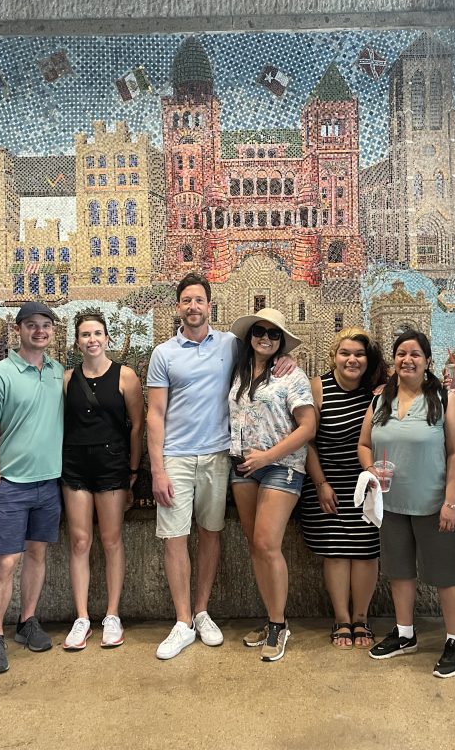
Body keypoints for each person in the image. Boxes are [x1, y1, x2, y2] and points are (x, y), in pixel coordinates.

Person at [146, 274, 294, 660]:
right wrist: (157, 469)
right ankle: (181, 622)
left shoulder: (231, 344)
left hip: (217, 455)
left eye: (199, 300)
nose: (193, 307)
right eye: (186, 301)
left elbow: (267, 351)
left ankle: (201, 612)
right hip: (176, 455)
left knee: (211, 533)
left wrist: (285, 357)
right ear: (177, 307)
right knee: (175, 537)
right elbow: (155, 414)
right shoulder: (163, 354)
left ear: (210, 306)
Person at [357, 330, 455, 678]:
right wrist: (370, 469)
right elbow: (364, 444)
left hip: (434, 503)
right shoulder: (380, 401)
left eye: (415, 354)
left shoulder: (444, 399)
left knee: (444, 574)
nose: (408, 360)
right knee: (399, 571)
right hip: (391, 504)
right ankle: (405, 633)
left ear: (427, 360)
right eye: (402, 354)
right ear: (395, 360)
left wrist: (450, 501)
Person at [0, 301, 64, 674]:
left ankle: (27, 622)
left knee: (37, 555)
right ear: (19, 330)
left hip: (48, 483)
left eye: (46, 325)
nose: (39, 331)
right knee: (6, 562)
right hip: (10, 485)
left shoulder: (57, 371)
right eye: (32, 325)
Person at [228, 309, 316, 662]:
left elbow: (308, 427)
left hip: (281, 466)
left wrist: (268, 456)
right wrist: (254, 460)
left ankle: (279, 624)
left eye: (274, 334)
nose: (266, 338)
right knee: (255, 546)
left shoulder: (292, 375)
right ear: (250, 336)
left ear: (282, 341)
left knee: (267, 542)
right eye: (259, 331)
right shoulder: (239, 370)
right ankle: (271, 617)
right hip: (243, 465)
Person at [60, 312, 144, 651]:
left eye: (97, 333)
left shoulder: (126, 377)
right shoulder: (66, 379)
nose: (91, 339)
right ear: (77, 341)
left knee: (111, 540)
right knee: (80, 541)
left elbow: (138, 426)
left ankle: (112, 615)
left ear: (107, 338)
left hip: (112, 467)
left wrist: (133, 472)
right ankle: (81, 617)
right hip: (75, 466)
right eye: (84, 334)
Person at [299, 328, 387, 650]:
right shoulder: (317, 388)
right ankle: (342, 619)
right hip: (326, 483)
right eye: (345, 353)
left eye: (359, 354)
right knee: (336, 552)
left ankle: (361, 618)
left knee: (366, 551)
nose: (352, 359)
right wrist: (321, 484)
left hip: (368, 484)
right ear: (333, 355)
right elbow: (307, 443)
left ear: (368, 359)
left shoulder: (378, 392)